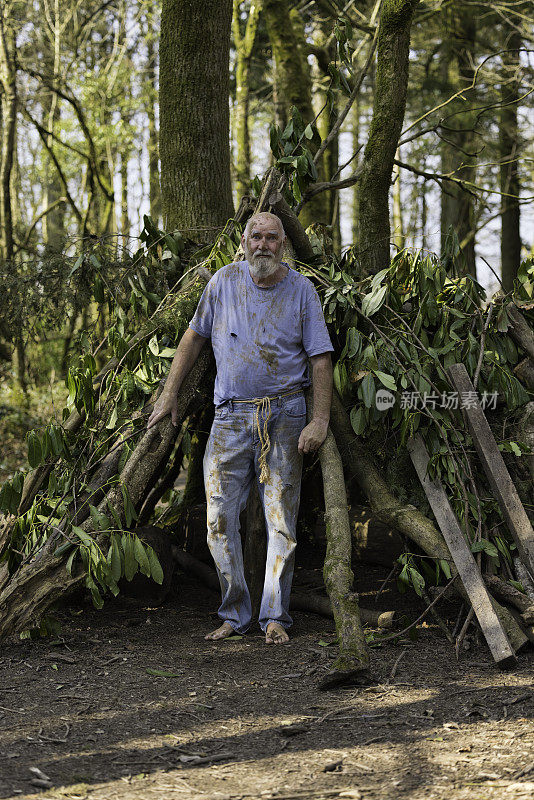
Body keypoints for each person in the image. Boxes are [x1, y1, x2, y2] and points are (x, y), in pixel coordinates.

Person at [147, 212, 333, 644]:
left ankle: (274, 617)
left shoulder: (301, 291)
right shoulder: (222, 283)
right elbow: (193, 337)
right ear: (244, 241)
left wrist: (319, 420)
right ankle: (235, 612)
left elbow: (320, 358)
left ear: (283, 244)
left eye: (271, 238)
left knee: (281, 521)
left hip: (285, 415)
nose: (263, 245)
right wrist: (170, 393)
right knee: (217, 518)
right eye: (256, 237)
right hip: (229, 417)